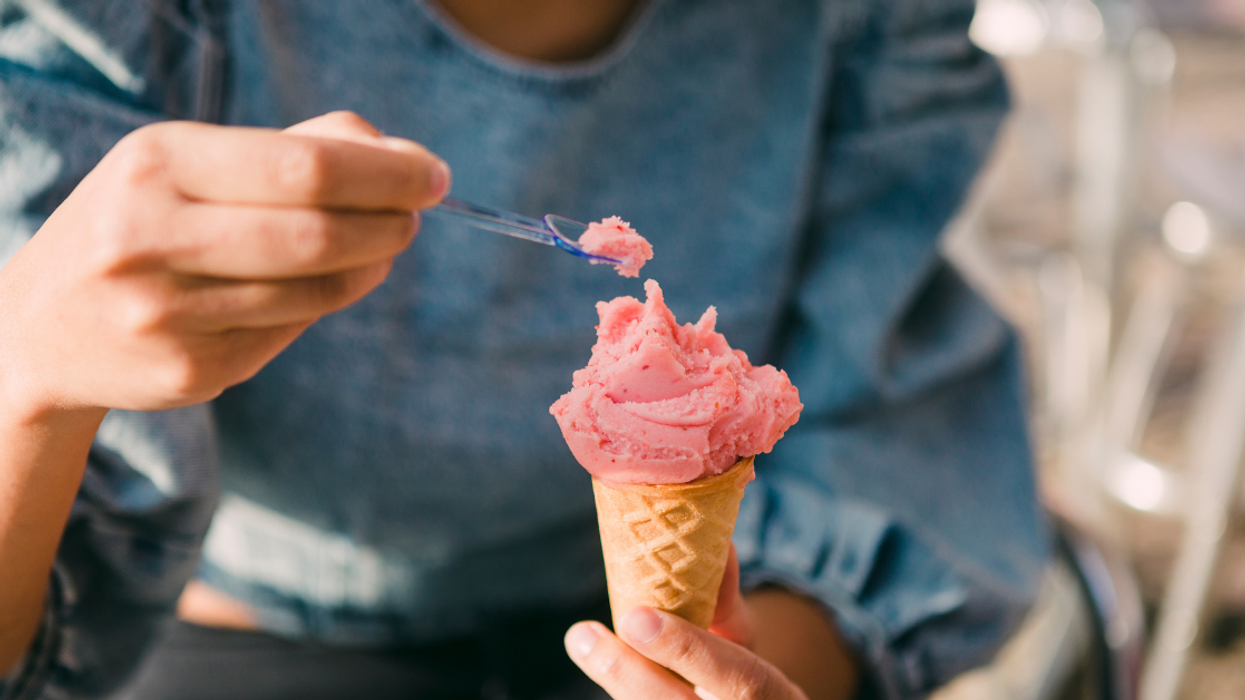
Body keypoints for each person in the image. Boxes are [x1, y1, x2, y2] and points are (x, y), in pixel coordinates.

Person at [0, 1, 1050, 698]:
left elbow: (885, 445)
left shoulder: (853, 29)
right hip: (229, 640)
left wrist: (736, 670)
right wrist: (28, 370)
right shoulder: (119, 27)